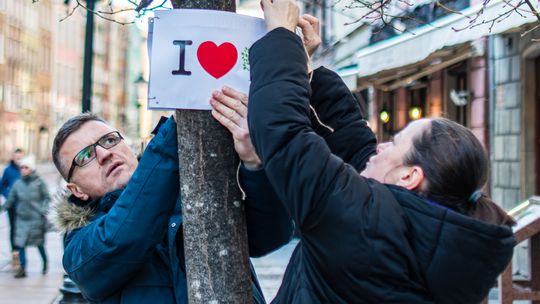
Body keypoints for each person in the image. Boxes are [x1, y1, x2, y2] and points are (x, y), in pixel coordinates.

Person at [215, 4, 517, 303]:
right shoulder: (441, 239)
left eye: (395, 143)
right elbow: (356, 146)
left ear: (410, 176)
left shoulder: (362, 223)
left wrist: (280, 33)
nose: (381, 146)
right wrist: (303, 68)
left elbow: (284, 131)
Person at [51, 111, 290, 303]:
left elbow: (269, 237)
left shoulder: (191, 184)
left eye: (110, 140)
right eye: (84, 157)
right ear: (77, 190)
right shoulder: (79, 247)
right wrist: (176, 125)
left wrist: (254, 165)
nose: (104, 154)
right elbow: (125, 232)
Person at [2, 155, 50, 278]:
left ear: (31, 169)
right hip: (21, 219)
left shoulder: (39, 182)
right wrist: (2, 208)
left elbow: (47, 197)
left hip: (36, 219)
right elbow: (10, 200)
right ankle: (22, 268)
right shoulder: (17, 184)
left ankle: (45, 262)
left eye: (26, 167)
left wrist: (43, 209)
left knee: (39, 244)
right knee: (20, 244)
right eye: (22, 167)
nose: (23, 169)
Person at [0, 148, 24, 266]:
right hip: (12, 206)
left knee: (23, 229)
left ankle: (21, 252)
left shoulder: (26, 169)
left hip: (24, 206)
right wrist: (8, 194)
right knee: (14, 229)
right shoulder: (8, 170)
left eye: (21, 157)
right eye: (17, 157)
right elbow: (2, 185)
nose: (19, 160)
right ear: (13, 158)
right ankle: (15, 251)